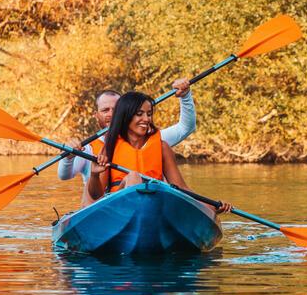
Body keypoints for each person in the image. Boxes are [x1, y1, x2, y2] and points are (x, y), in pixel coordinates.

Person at [87, 91, 231, 214]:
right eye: (139, 114)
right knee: (134, 177)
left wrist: (212, 206)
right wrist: (94, 174)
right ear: (126, 116)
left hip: (155, 205)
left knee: (157, 189)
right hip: (119, 209)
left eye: (149, 114)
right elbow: (96, 194)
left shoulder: (162, 147)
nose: (146, 119)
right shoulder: (109, 147)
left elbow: (181, 188)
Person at [57, 78, 195, 206]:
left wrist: (185, 96)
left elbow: (185, 128)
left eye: (115, 110)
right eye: (105, 110)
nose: (111, 114)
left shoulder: (159, 142)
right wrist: (70, 158)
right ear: (96, 115)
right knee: (133, 177)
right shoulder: (96, 148)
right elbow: (65, 176)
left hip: (154, 202)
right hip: (111, 206)